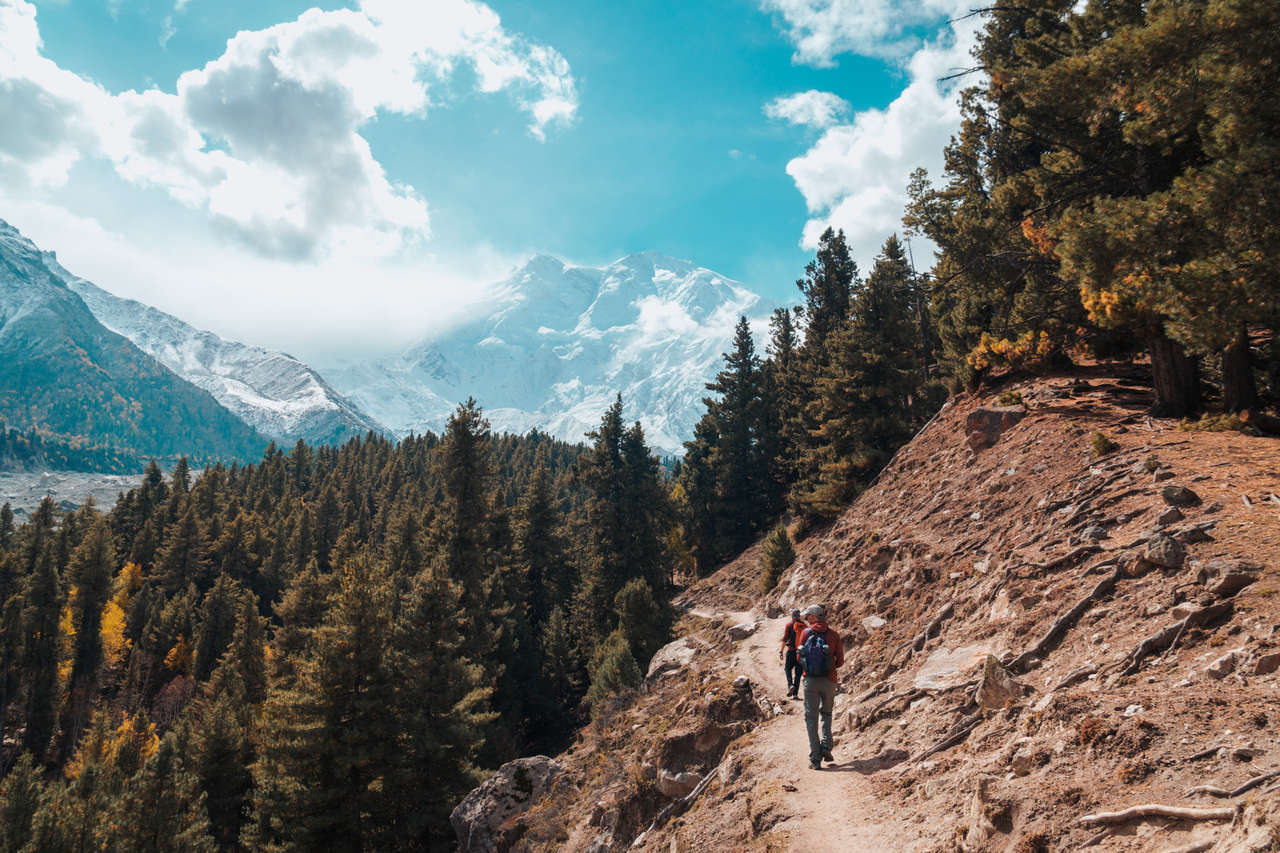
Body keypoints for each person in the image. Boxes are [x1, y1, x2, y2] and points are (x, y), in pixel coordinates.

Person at [797, 604, 844, 770]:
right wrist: (828, 666)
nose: (807, 619)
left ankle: (815, 759)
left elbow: (799, 657)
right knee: (827, 714)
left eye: (808, 616)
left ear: (814, 617)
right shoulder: (834, 634)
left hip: (810, 681)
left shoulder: (805, 633)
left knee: (811, 719)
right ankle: (826, 747)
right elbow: (840, 661)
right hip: (829, 680)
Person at [778, 609, 806, 698]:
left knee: (787, 669)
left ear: (792, 616)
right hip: (800, 653)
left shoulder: (789, 625)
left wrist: (781, 651)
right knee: (798, 673)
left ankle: (790, 685)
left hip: (791, 651)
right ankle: (795, 694)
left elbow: (785, 639)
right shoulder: (804, 626)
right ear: (799, 616)